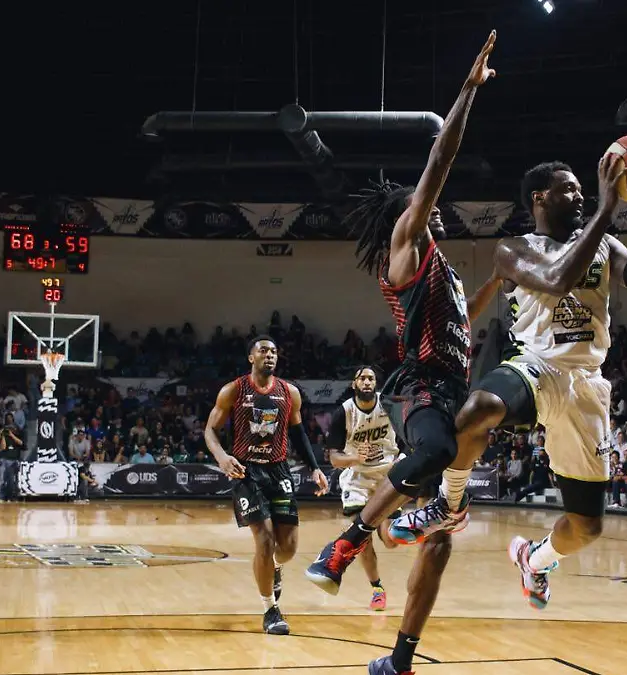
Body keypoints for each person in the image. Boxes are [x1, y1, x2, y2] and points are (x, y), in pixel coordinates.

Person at [387, 148, 627, 612]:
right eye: (570, 189)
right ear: (539, 197)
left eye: (584, 190)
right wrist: (606, 210)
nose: (582, 195)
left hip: (587, 383)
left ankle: (535, 558)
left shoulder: (606, 244)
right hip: (536, 365)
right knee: (477, 408)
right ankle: (450, 502)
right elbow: (558, 279)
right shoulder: (512, 250)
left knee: (587, 527)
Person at [303, 32, 503, 675]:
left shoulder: (445, 272)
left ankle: (433, 523)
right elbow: (437, 168)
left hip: (447, 381)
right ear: (410, 213)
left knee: (483, 422)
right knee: (439, 449)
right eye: (427, 204)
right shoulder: (406, 250)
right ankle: (348, 540)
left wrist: (499, 286)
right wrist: (466, 95)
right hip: (414, 383)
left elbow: (462, 328)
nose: (438, 207)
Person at [204, 336, 328, 636]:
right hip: (246, 473)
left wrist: (314, 469)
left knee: (287, 549)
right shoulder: (233, 390)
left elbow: (298, 434)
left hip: (279, 470)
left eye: (273, 351)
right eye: (263, 350)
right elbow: (210, 430)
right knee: (264, 539)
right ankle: (270, 609)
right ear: (251, 358)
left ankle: (274, 566)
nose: (269, 355)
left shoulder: (290, 393)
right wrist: (222, 457)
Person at [323, 366, 400, 611]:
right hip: (357, 479)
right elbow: (334, 458)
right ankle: (377, 588)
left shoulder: (389, 406)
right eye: (362, 378)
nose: (367, 382)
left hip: (387, 474)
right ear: (354, 384)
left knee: (390, 541)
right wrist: (355, 457)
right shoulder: (343, 413)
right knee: (362, 538)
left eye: (371, 378)